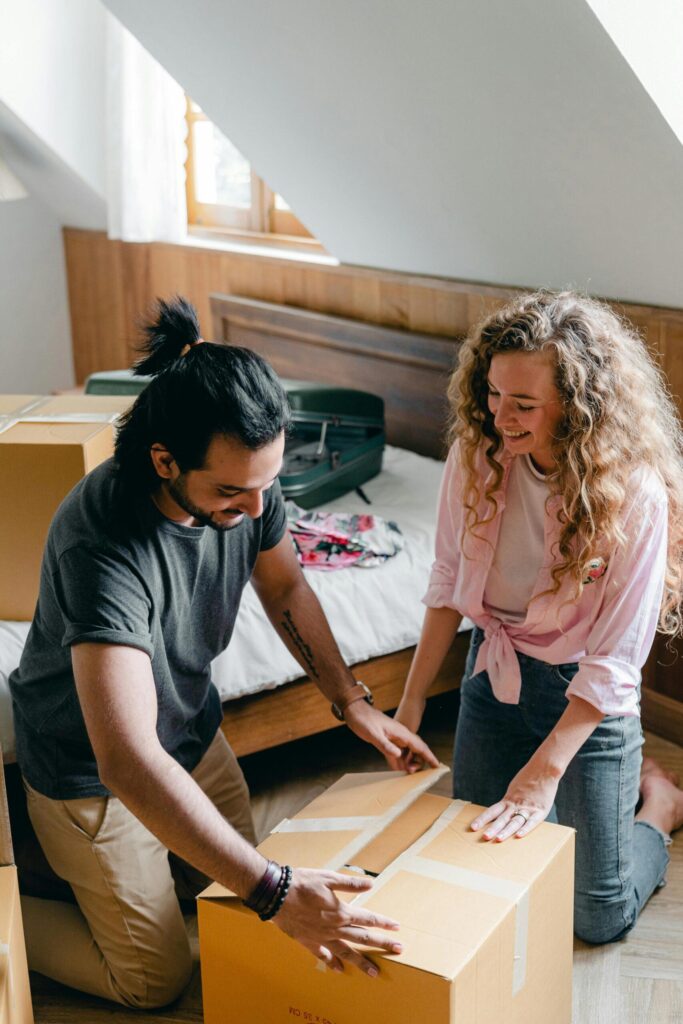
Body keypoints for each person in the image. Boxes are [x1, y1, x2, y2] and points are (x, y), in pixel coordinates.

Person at [9, 296, 438, 1008]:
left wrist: (352, 704)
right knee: (156, 980)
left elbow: (287, 587)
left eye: (266, 486)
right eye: (231, 492)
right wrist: (274, 891)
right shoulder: (103, 543)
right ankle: (16, 902)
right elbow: (126, 758)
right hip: (90, 771)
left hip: (191, 731)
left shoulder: (251, 487)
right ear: (162, 459)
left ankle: (82, 874)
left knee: (225, 897)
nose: (254, 507)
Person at [392, 290, 683, 944]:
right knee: (474, 862)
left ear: (579, 407)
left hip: (585, 696)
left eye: (523, 404)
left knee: (595, 916)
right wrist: (408, 705)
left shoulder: (631, 491)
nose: (499, 416)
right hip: (493, 674)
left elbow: (613, 660)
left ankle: (658, 807)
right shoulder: (477, 455)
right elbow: (445, 582)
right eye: (492, 394)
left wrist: (544, 773)